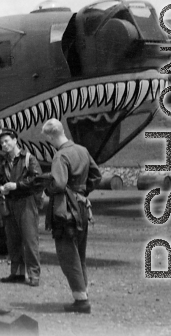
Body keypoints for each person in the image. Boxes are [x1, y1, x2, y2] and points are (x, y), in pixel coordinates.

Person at [41, 118, 101, 314]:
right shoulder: (82, 150)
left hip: (65, 210)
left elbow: (58, 184)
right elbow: (96, 175)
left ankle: (81, 300)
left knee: (68, 254)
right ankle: (83, 293)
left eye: (48, 138)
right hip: (83, 207)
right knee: (79, 253)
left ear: (51, 136)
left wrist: (46, 189)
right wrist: (82, 193)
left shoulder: (60, 156)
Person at [0, 129, 42, 287]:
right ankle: (17, 273)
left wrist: (17, 185)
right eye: (2, 142)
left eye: (7, 141)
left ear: (15, 140)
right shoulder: (3, 163)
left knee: (30, 240)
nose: (4, 144)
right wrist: (1, 188)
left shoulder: (28, 158)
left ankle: (34, 274)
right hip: (9, 203)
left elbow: (37, 180)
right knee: (12, 241)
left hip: (26, 202)